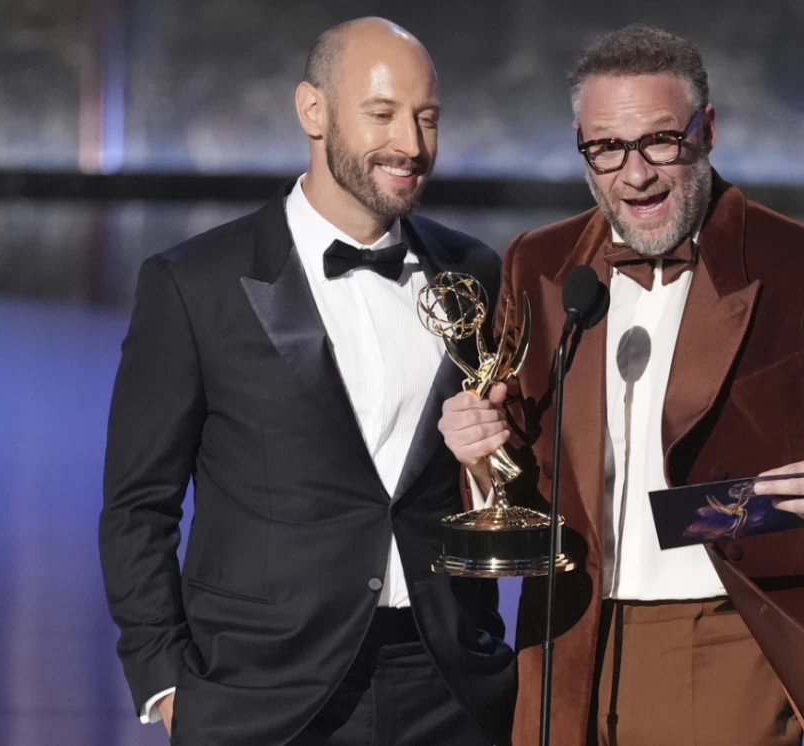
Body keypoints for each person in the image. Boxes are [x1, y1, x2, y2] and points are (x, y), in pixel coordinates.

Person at [439, 24, 804, 746]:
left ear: (706, 131)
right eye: (607, 147)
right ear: (581, 144)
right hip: (564, 634)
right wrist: (480, 453)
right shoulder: (539, 263)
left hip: (720, 638)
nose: (634, 174)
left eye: (659, 141)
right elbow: (516, 455)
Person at [99, 17, 515, 746]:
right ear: (313, 110)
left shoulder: (473, 274)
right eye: (382, 114)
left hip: (448, 685)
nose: (412, 146)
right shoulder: (194, 283)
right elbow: (138, 506)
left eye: (428, 118)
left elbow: (501, 463)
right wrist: (166, 683)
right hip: (264, 692)